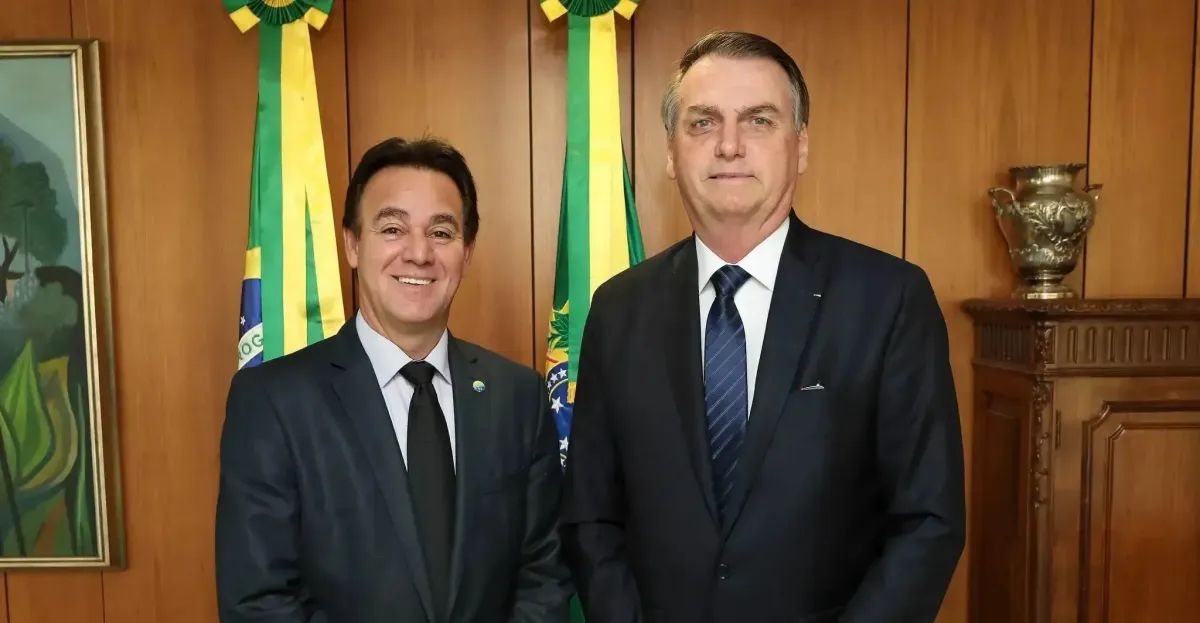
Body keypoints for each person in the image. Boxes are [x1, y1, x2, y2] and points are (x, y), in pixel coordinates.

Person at [561, 31, 965, 622]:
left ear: (800, 147)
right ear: (670, 153)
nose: (729, 146)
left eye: (758, 121)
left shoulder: (888, 300)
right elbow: (590, 516)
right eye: (703, 123)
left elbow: (928, 520)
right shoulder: (618, 310)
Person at [216, 137, 571, 623]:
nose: (419, 253)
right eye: (392, 229)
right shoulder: (273, 402)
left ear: (467, 252)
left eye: (441, 233)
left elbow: (543, 578)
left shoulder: (519, 397)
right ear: (352, 244)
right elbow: (259, 601)